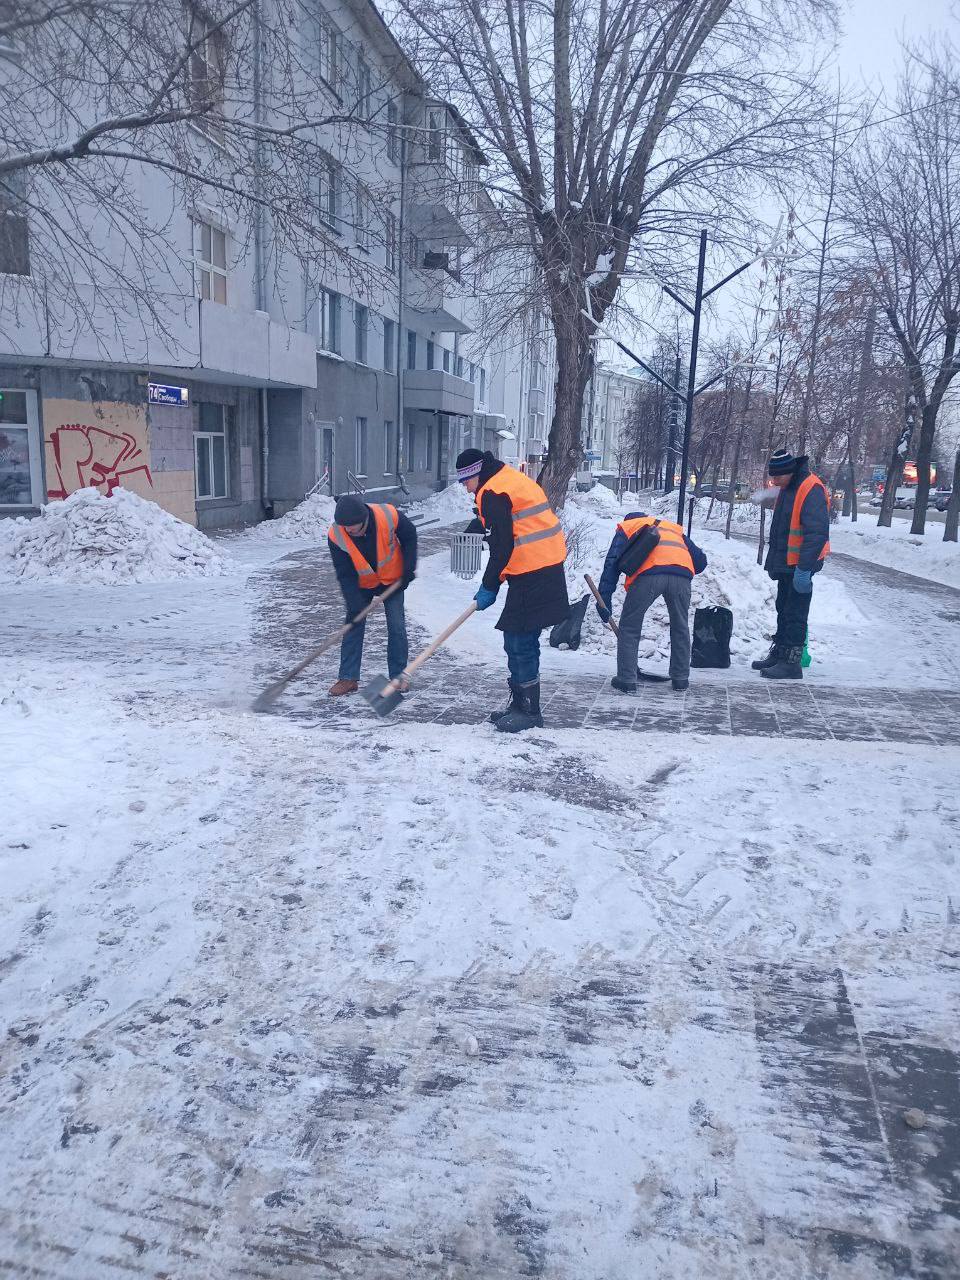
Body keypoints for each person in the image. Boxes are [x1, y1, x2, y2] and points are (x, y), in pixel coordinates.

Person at [455, 448, 569, 732]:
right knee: (516, 638)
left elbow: (501, 547)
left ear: (475, 475)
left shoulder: (493, 492)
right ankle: (520, 704)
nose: (467, 490)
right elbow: (509, 529)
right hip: (539, 565)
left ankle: (529, 711)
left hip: (535, 569)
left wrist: (489, 586)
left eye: (465, 483)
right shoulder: (506, 479)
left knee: (520, 640)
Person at [596, 511, 707, 693]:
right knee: (680, 626)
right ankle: (680, 679)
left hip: (649, 577)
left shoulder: (627, 527)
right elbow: (701, 562)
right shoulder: (671, 528)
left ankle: (627, 679)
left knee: (630, 626)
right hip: (682, 577)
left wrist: (604, 598)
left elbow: (612, 564)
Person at [326, 494, 417, 695]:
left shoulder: (388, 515)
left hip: (393, 579)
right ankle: (348, 678)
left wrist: (408, 569)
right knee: (353, 624)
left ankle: (398, 677)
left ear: (364, 519)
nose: (348, 530)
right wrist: (354, 602)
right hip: (361, 582)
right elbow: (344, 573)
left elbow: (410, 535)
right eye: (344, 526)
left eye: (352, 527)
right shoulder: (336, 534)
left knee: (396, 626)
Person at [752, 448, 830, 681]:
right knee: (783, 610)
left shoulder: (810, 488)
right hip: (788, 563)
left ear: (788, 472)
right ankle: (780, 653)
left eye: (777, 477)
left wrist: (804, 569)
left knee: (796, 613)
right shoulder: (789, 488)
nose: (774, 482)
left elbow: (817, 532)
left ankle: (791, 663)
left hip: (800, 566)